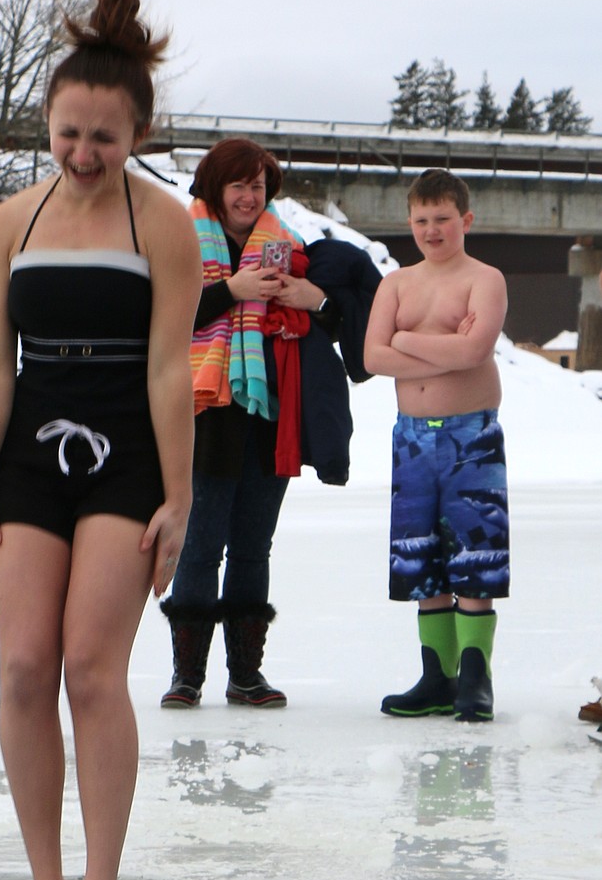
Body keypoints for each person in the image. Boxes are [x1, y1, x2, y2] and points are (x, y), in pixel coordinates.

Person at [0, 0, 202, 880]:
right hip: (28, 454)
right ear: (48, 124)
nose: (83, 154)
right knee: (24, 668)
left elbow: (165, 370)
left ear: (138, 134)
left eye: (103, 138)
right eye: (67, 133)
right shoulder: (9, 223)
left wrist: (179, 499)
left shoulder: (162, 226)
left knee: (91, 671)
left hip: (125, 455)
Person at [160, 138, 381, 710]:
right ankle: (187, 677)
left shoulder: (288, 246)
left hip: (267, 414)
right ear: (215, 188)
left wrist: (317, 299)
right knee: (199, 548)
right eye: (239, 185)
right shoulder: (181, 241)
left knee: (253, 549)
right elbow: (157, 315)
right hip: (204, 414)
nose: (250, 197)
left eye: (259, 186)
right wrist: (230, 291)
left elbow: (331, 327)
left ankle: (246, 676)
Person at [363, 169, 509, 721]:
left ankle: (475, 679)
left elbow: (474, 352)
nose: (432, 230)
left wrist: (403, 338)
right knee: (419, 556)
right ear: (409, 223)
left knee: (476, 553)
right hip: (412, 440)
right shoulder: (396, 284)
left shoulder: (484, 278)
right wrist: (440, 344)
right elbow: (372, 358)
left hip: (471, 435)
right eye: (422, 220)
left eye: (443, 219)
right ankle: (437, 677)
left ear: (465, 220)